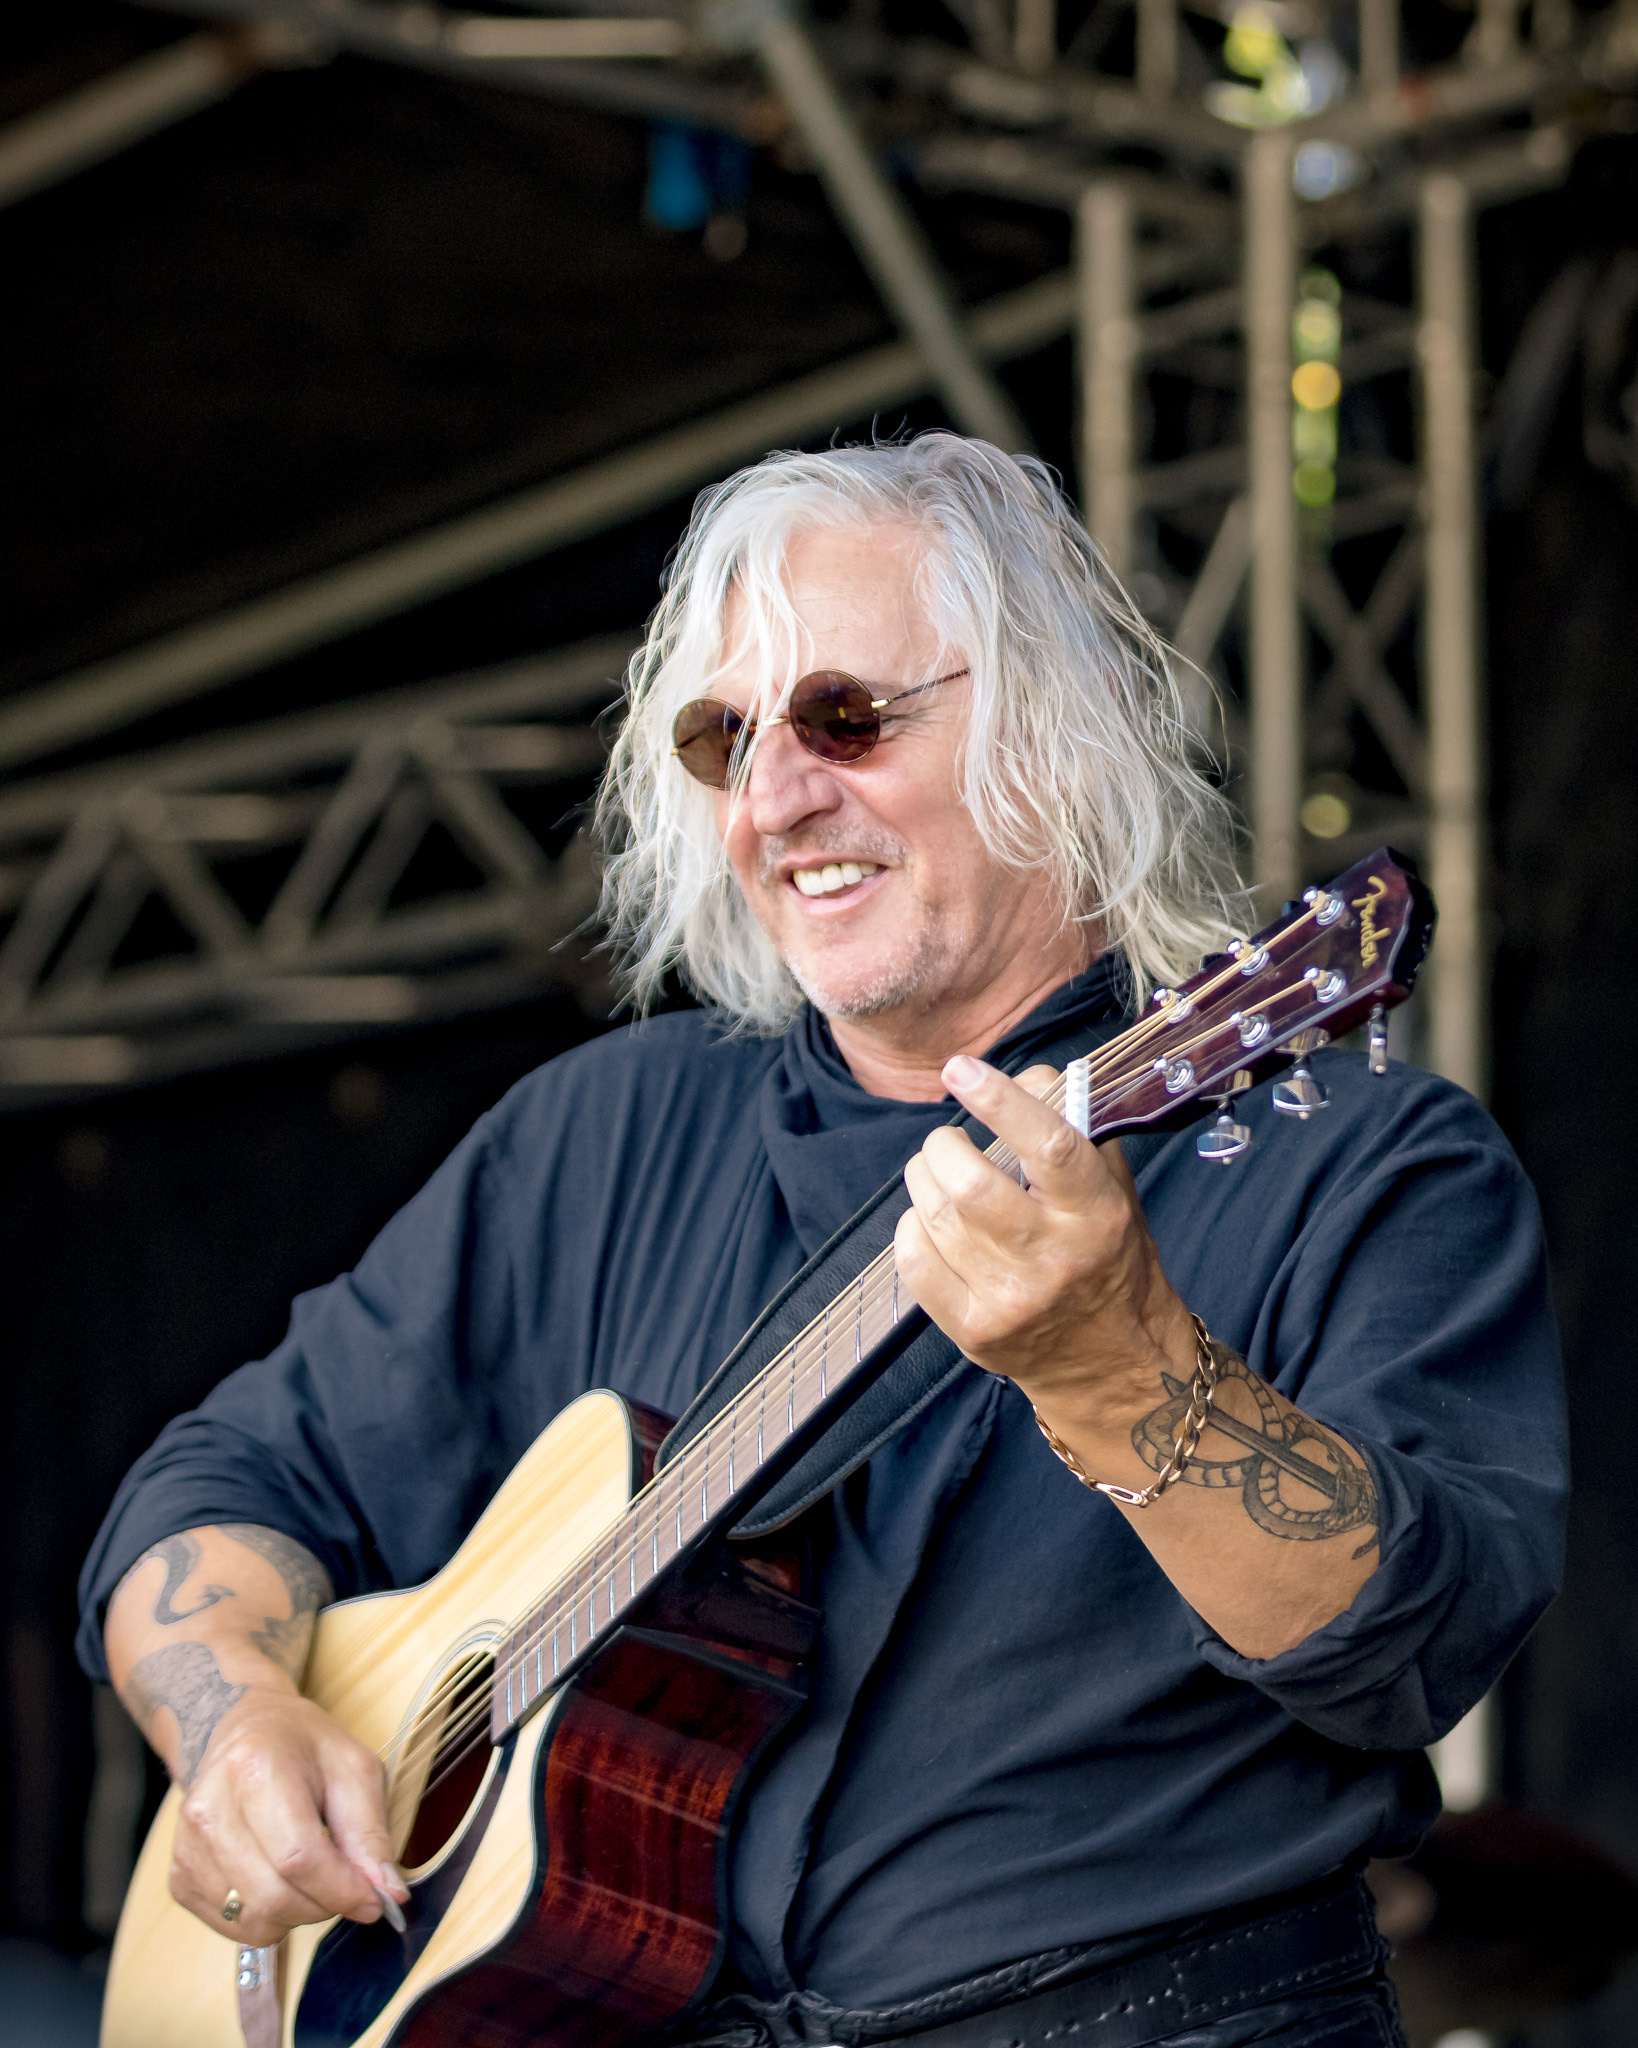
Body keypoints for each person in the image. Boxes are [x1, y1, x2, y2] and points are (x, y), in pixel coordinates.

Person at [78, 435, 1566, 2048]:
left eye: (843, 717)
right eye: (724, 738)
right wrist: (233, 1717)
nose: (778, 795)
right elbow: (222, 1485)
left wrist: (1120, 1377)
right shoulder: (603, 1132)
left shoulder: (1361, 1160)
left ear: (1051, 733)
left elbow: (1416, 1646)